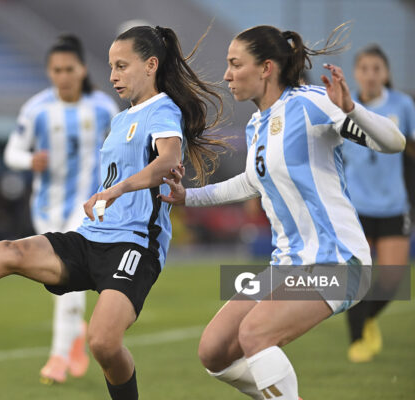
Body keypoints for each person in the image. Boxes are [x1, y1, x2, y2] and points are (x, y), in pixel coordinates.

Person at [0, 25, 227, 400]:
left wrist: (118, 189)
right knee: (10, 251)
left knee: (103, 344)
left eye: (122, 66)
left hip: (134, 247)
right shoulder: (121, 119)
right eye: (110, 66)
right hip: (91, 237)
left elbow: (168, 158)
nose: (113, 75)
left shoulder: (163, 109)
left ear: (151, 64)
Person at [160, 25, 405, 399]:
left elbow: (394, 142)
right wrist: (187, 197)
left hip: (338, 263)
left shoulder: (312, 102)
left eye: (234, 64)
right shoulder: (257, 124)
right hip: (286, 265)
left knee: (255, 334)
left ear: (266, 68)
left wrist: (351, 108)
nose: (226, 74)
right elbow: (248, 183)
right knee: (214, 351)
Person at [3, 34, 119, 384]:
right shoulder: (36, 109)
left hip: (87, 205)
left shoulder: (102, 108)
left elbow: (117, 152)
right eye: (57, 70)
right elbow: (12, 152)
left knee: (68, 276)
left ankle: (57, 358)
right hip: (45, 207)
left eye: (70, 69)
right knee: (56, 277)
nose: (63, 75)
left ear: (82, 69)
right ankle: (75, 336)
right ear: (49, 72)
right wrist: (29, 160)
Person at [341, 44, 415, 363]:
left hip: (394, 205)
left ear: (385, 73)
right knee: (357, 278)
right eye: (364, 69)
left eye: (376, 69)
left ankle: (368, 318)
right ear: (356, 73)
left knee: (392, 279)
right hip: (354, 207)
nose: (370, 75)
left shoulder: (402, 105)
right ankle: (357, 339)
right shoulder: (342, 107)